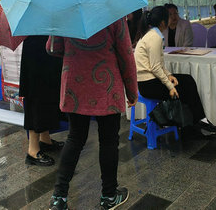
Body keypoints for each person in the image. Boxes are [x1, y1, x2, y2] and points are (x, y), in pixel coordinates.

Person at [46, 18, 137, 210]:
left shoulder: (67, 12)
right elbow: (126, 54)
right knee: (109, 141)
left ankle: (59, 198)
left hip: (75, 85)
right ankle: (109, 196)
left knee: (75, 138)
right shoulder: (113, 13)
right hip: (107, 86)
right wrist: (132, 91)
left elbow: (52, 49)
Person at [135, 6, 216, 136]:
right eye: (169, 17)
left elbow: (159, 64)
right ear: (163, 22)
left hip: (149, 82)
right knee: (186, 84)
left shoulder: (152, 34)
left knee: (186, 81)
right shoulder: (154, 37)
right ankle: (196, 122)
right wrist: (170, 86)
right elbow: (155, 67)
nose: (172, 19)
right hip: (148, 85)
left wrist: (169, 75)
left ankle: (192, 125)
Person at [20, 35, 64, 167]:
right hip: (36, 54)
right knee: (37, 98)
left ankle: (45, 139)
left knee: (48, 96)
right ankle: (33, 150)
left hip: (48, 53)